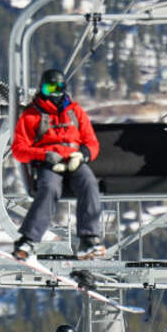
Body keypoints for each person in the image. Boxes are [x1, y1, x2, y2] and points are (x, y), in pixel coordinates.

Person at [10, 68, 105, 260]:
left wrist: (82, 155)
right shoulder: (32, 115)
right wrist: (44, 155)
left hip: (73, 160)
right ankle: (28, 239)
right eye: (49, 88)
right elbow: (19, 149)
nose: (54, 93)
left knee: (89, 183)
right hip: (49, 163)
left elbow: (91, 142)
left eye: (58, 88)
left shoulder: (74, 112)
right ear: (41, 89)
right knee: (49, 188)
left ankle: (89, 238)